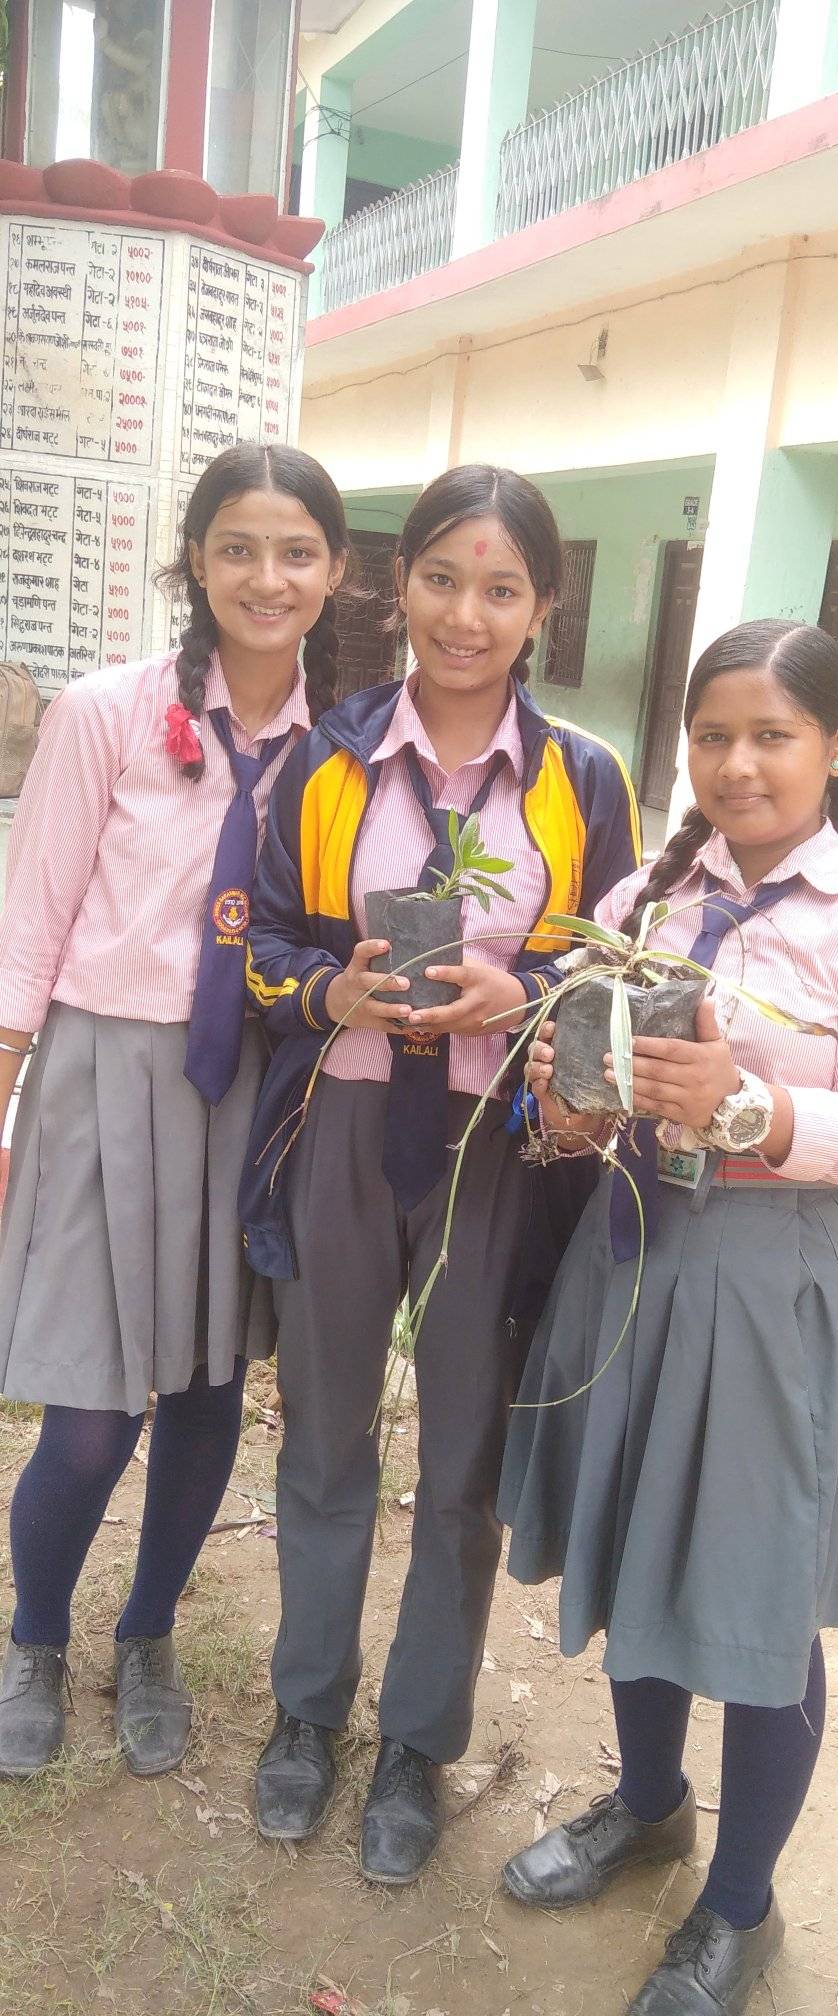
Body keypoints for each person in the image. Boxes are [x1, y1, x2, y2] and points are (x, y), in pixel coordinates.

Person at [497, 620, 838, 2015]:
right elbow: (581, 1102)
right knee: (636, 1550)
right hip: (634, 1263)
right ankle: (648, 1807)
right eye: (712, 736)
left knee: (760, 1601)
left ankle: (739, 1904)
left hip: (777, 1289)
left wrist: (744, 1105)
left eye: (772, 736)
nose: (738, 764)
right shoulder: (641, 898)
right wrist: (565, 1102)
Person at [241, 463, 642, 1881]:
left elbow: (609, 969)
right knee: (325, 1434)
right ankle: (306, 1711)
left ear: (542, 609)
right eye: (441, 580)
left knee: (464, 1452)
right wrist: (330, 990)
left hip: (493, 1153)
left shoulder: (583, 779)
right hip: (345, 1131)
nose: (465, 616)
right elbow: (260, 942)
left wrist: (519, 992)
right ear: (394, 584)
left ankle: (418, 1739)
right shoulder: (327, 759)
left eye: (500, 589)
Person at [0, 442, 348, 1784]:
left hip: (252, 1086)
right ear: (196, 561)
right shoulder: (107, 711)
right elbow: (31, 920)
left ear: (332, 572)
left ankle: (145, 1634)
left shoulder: (340, 748)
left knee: (207, 1392)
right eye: (238, 548)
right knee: (93, 1413)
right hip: (104, 1075)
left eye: (297, 552)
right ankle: (36, 1637)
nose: (268, 577)